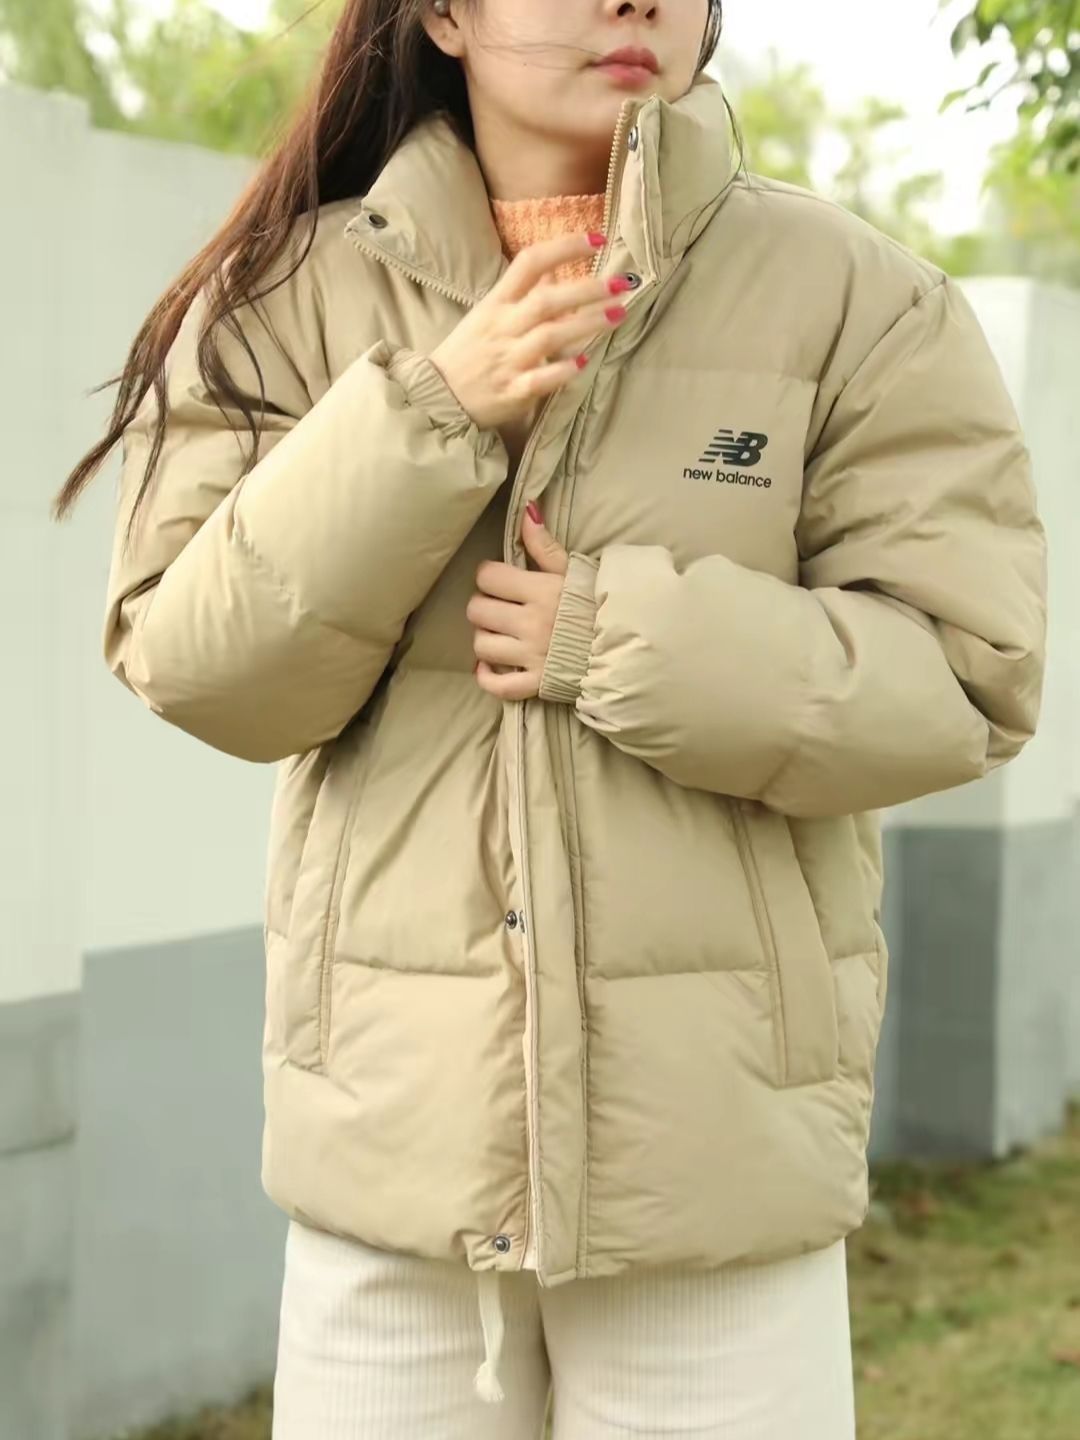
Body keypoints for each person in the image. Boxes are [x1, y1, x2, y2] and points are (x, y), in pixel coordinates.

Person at [54, 0, 1047, 1435]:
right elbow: (201, 664)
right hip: (392, 1178)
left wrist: (616, 635)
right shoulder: (291, 293)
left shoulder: (856, 300)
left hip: (717, 1181)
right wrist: (435, 409)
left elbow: (966, 677)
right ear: (444, 13)